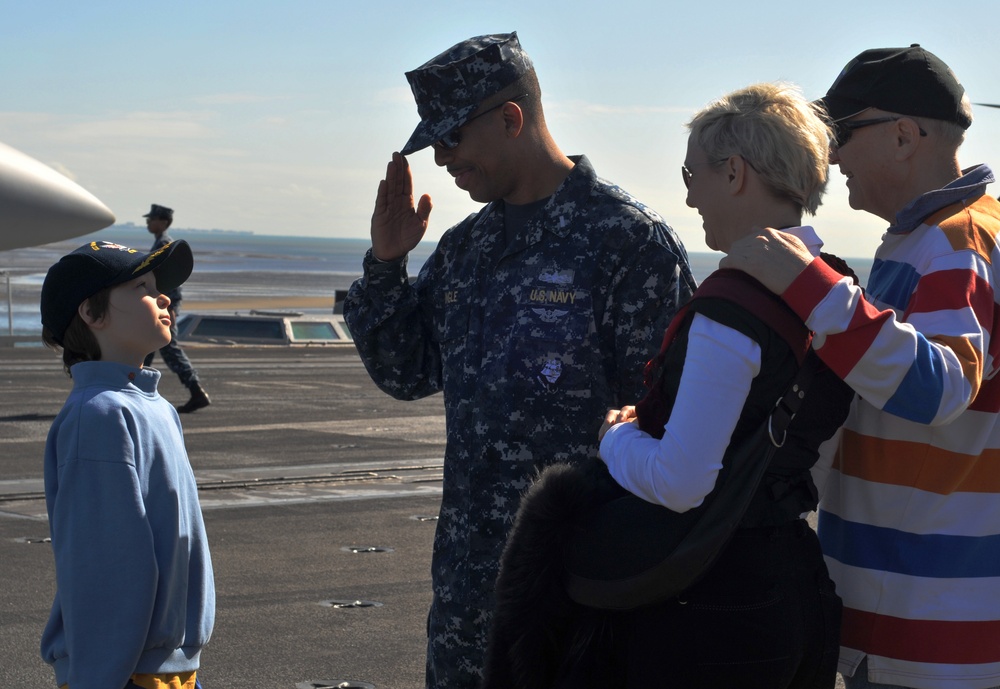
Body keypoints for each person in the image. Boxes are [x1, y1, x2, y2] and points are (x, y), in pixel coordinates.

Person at [343, 32, 696, 689]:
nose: (443, 159)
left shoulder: (627, 245)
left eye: (451, 138)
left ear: (511, 119)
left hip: (583, 610)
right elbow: (406, 370)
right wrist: (387, 267)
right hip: (468, 610)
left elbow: (676, 436)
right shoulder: (464, 250)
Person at [483, 82, 856, 689]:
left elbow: (681, 482)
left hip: (709, 594)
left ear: (735, 173)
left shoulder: (733, 307)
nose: (688, 198)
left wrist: (615, 435)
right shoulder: (835, 290)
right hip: (794, 579)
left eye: (692, 174)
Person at [722, 46, 1000, 689]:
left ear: (905, 135)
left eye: (841, 134)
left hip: (935, 634)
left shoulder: (956, 239)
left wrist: (807, 285)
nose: (833, 156)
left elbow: (939, 388)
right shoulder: (931, 238)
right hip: (917, 620)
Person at [38, 239, 215, 689]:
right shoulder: (97, 415)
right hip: (122, 670)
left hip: (166, 665)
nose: (164, 299)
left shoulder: (155, 407)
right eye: (142, 287)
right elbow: (101, 564)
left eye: (160, 287)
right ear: (92, 315)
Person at [142, 204, 211, 413]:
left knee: (167, 348)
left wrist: (169, 306)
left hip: (165, 305)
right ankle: (137, 391)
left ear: (163, 222)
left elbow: (171, 279)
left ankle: (197, 391)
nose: (148, 222)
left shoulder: (164, 245)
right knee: (146, 347)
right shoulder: (160, 243)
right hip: (161, 304)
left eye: (152, 219)